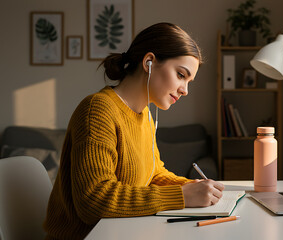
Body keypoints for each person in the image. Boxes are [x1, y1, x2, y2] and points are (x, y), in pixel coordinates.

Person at [43, 23, 225, 239]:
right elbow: (93, 200)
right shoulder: (98, 110)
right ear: (149, 62)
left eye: (189, 81)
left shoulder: (145, 115)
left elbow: (153, 174)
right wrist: (181, 195)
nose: (185, 90)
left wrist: (195, 187)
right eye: (181, 75)